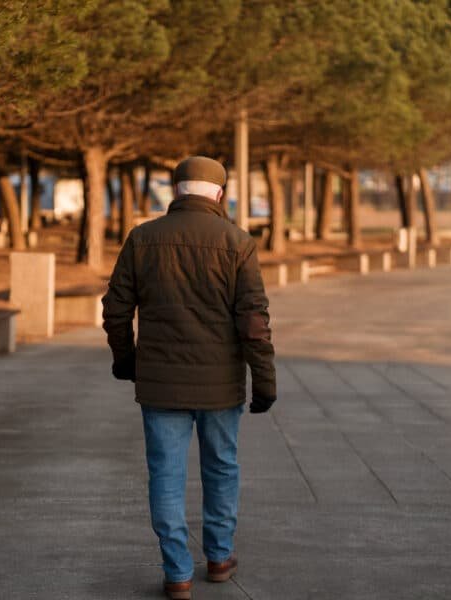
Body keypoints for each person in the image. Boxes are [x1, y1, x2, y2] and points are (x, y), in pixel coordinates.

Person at [102, 156, 276, 600]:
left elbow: (116, 310)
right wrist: (264, 380)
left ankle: (177, 573)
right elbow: (253, 321)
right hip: (221, 386)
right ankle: (218, 557)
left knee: (165, 474)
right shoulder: (237, 242)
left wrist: (128, 362)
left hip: (160, 385)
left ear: (175, 190)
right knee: (221, 468)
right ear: (219, 194)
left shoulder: (142, 239)